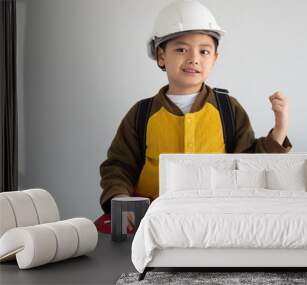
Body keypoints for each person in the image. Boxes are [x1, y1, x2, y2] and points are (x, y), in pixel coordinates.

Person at [96, 0, 292, 233]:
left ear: (215, 59)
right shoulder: (142, 113)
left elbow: (249, 163)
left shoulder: (228, 109)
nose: (193, 58)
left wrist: (280, 128)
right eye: (181, 49)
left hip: (216, 220)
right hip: (152, 220)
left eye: (204, 51)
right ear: (161, 56)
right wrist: (121, 199)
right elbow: (118, 166)